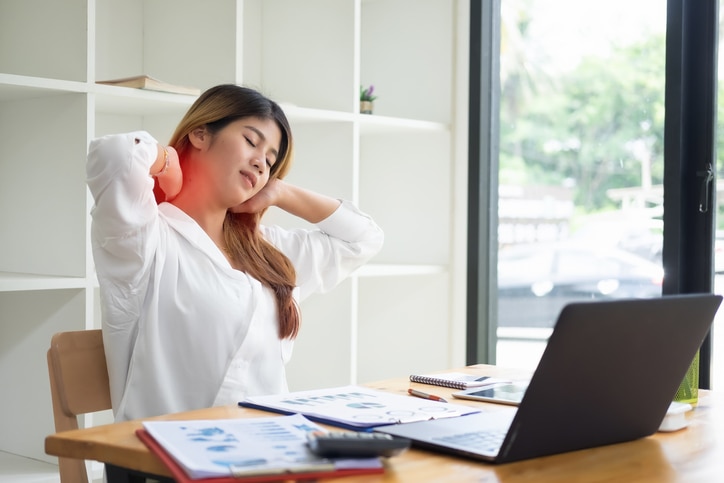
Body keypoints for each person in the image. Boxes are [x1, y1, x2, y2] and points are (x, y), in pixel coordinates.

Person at [87, 84, 384, 421]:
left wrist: (280, 192)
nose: (260, 163)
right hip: (166, 457)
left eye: (270, 161)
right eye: (251, 141)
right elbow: (115, 155)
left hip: (267, 449)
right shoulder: (144, 239)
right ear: (201, 133)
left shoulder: (268, 251)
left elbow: (364, 238)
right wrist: (169, 161)